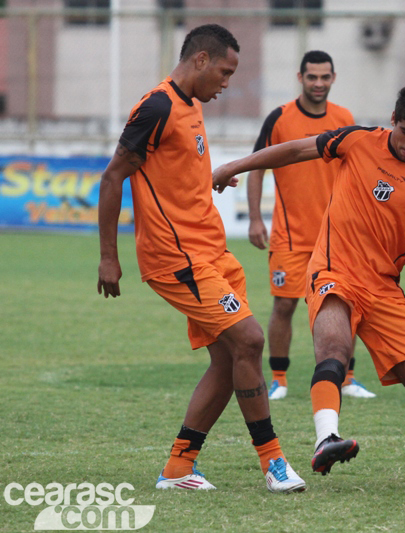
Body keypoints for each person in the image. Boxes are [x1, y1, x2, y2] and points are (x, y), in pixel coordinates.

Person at [213, 85, 405, 486]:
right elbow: (293, 151)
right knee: (334, 350)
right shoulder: (358, 141)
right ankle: (326, 438)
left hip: (383, 289)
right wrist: (234, 166)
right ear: (393, 120)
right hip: (333, 269)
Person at [96, 24, 305, 493]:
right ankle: (273, 463)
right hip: (177, 259)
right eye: (225, 72)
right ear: (202, 60)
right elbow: (113, 179)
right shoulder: (156, 106)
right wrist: (109, 257)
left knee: (230, 360)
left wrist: (205, 181)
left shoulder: (189, 105)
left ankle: (178, 468)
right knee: (249, 341)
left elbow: (170, 171)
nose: (227, 83)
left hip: (212, 254)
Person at [247, 50, 375, 401]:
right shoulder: (279, 118)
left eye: (324, 77)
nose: (318, 83)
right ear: (300, 78)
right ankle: (278, 379)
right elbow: (257, 167)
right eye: (312, 77)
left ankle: (346, 379)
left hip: (337, 237)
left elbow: (358, 169)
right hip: (290, 236)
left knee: (343, 305)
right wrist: (256, 217)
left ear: (333, 78)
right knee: (284, 306)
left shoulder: (344, 117)